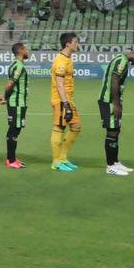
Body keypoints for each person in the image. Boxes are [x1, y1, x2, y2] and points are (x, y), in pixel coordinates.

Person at [97, 45, 134, 176]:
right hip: (108, 101)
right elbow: (114, 81)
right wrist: (116, 104)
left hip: (112, 101)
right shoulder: (121, 61)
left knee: (116, 130)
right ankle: (110, 166)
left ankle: (115, 162)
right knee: (112, 131)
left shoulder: (122, 59)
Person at [50, 32, 82, 172]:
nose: (77, 44)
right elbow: (59, 84)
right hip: (61, 100)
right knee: (59, 127)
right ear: (68, 44)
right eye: (75, 42)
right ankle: (56, 162)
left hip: (68, 99)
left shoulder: (67, 58)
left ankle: (63, 158)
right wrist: (65, 104)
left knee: (76, 127)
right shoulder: (61, 61)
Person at [0, 42, 29, 169]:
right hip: (17, 103)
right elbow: (10, 84)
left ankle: (12, 158)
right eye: (26, 49)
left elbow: (11, 85)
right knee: (14, 130)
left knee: (15, 130)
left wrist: (5, 96)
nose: (28, 51)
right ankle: (10, 160)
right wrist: (5, 97)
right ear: (21, 51)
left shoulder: (15, 64)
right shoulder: (18, 66)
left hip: (17, 103)